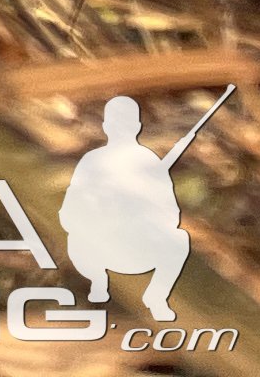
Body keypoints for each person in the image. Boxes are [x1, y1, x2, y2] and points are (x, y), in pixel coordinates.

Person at [61, 97, 193, 320]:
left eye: (127, 123)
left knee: (180, 239)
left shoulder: (148, 160)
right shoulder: (92, 161)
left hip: (140, 246)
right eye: (116, 123)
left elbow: (171, 213)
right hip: (97, 246)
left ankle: (157, 297)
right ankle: (98, 283)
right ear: (106, 127)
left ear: (137, 126)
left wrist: (142, 208)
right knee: (75, 238)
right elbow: (70, 209)